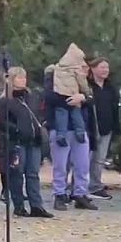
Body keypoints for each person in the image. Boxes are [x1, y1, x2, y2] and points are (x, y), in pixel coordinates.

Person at [45, 47, 98, 211]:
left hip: (79, 128)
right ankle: (59, 194)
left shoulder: (80, 77)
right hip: (60, 127)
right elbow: (49, 97)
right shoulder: (54, 75)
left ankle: (80, 194)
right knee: (60, 165)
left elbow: (90, 97)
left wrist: (82, 98)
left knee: (82, 164)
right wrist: (68, 99)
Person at [0, 67, 53, 218]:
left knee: (33, 173)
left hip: (34, 140)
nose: (23, 80)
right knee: (17, 173)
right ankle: (19, 205)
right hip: (17, 141)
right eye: (19, 78)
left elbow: (38, 114)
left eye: (24, 77)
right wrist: (16, 130)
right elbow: (0, 121)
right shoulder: (4, 100)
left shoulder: (32, 97)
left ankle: (36, 205)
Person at [87, 57, 120, 200]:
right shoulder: (88, 86)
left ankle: (95, 185)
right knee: (86, 158)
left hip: (107, 127)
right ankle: (80, 186)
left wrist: (116, 127)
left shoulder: (110, 88)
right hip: (91, 127)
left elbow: (114, 109)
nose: (105, 70)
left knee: (99, 159)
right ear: (93, 69)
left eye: (107, 67)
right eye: (102, 67)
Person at [50, 43, 90, 147]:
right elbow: (82, 82)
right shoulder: (76, 69)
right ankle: (80, 133)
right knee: (76, 114)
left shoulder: (57, 68)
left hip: (59, 94)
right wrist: (86, 92)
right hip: (73, 94)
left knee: (61, 115)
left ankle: (61, 136)